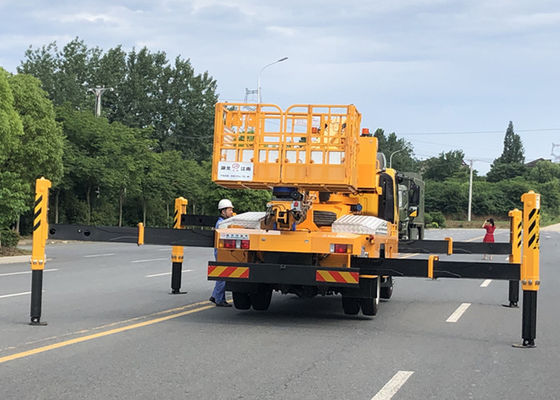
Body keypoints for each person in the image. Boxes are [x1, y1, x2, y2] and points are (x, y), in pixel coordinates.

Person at [209, 199, 234, 307]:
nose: (231, 212)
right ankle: (218, 299)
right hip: (221, 251)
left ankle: (216, 296)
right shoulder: (221, 224)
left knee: (222, 275)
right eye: (229, 210)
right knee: (223, 275)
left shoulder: (222, 222)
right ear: (223, 211)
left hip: (221, 251)